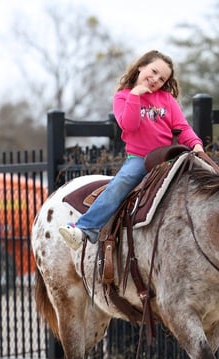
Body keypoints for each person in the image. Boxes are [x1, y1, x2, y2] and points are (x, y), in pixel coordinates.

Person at [59, 50, 205, 250]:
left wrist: (196, 145)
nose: (155, 79)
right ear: (141, 66)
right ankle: (85, 228)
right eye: (153, 71)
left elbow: (182, 127)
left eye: (162, 79)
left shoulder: (167, 99)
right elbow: (129, 125)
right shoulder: (123, 97)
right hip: (140, 159)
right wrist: (135, 95)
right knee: (122, 182)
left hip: (168, 158)